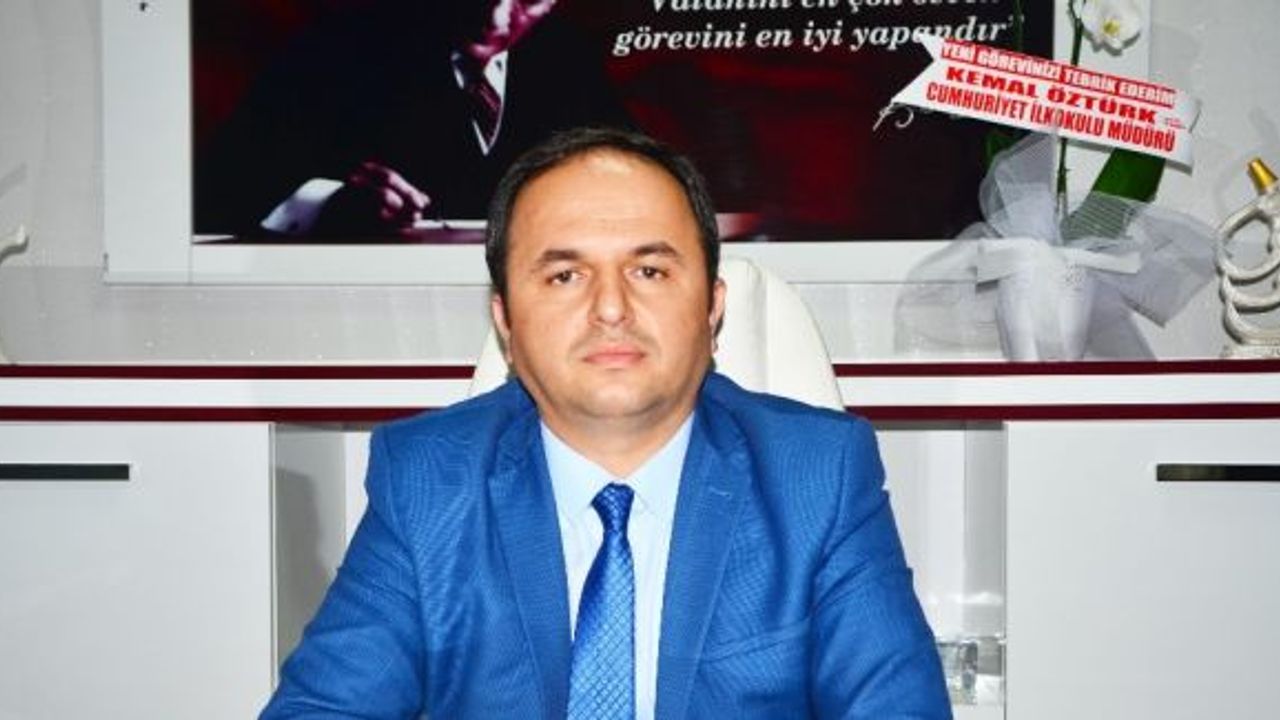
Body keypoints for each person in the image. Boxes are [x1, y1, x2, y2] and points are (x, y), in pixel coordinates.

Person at [261, 127, 950, 719]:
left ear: (712, 308)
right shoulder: (428, 481)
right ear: (506, 320)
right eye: (565, 276)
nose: (611, 308)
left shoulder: (819, 476)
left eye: (649, 270)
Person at [193, 0, 629, 238]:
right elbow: (217, 194)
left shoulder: (566, 58)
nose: (496, 16)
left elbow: (633, 178)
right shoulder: (336, 46)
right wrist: (326, 205)